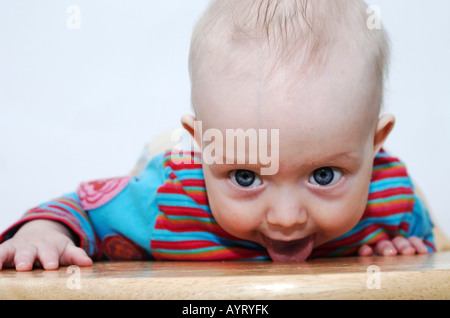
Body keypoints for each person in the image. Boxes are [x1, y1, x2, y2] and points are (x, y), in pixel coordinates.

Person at [0, 0, 435, 271]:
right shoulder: (169, 197)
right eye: (246, 176)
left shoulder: (389, 195)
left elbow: (424, 239)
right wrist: (43, 232)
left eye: (324, 175)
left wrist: (408, 244)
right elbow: (85, 207)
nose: (286, 218)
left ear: (374, 144)